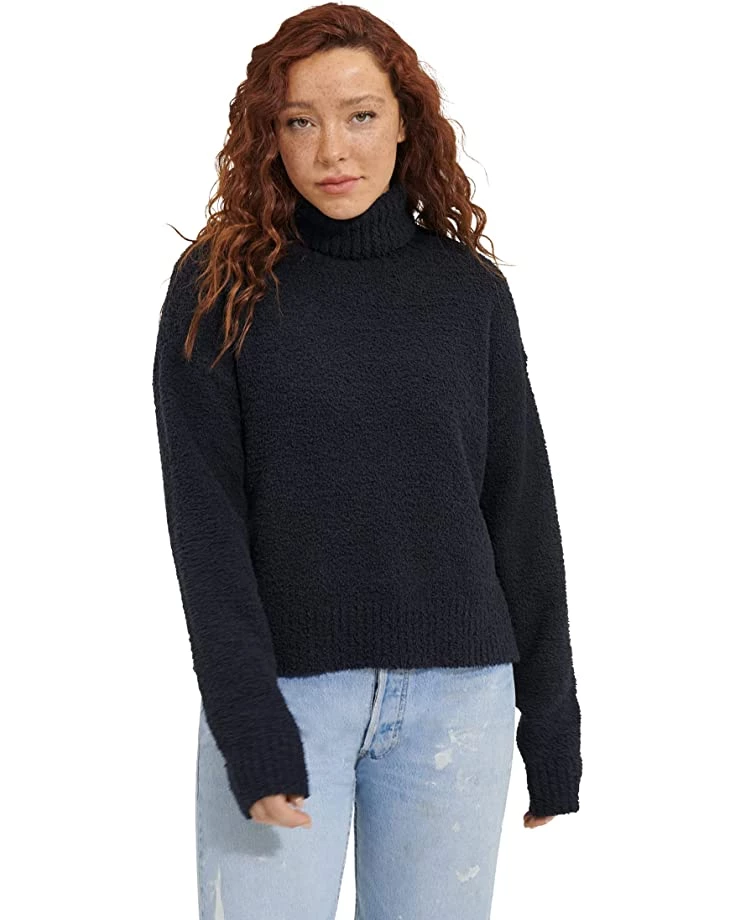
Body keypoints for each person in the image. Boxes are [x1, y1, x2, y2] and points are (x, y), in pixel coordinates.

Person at [152, 3, 582, 917]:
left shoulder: (468, 292)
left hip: (459, 702)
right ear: (268, 134)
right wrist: (248, 721)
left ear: (404, 121)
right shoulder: (220, 289)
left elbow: (520, 506)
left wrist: (550, 721)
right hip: (283, 694)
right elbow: (206, 525)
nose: (332, 151)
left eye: (360, 115)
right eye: (299, 120)